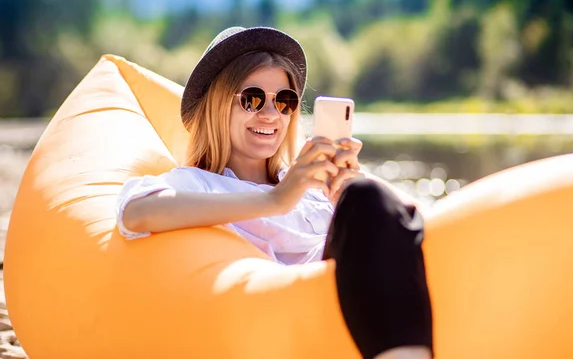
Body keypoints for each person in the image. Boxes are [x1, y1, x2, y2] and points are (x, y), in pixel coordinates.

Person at [116, 26, 433, 359]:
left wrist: (345, 194)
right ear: (215, 105)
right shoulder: (197, 183)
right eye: (252, 99)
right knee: (366, 197)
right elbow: (136, 212)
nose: (271, 115)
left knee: (366, 194)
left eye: (284, 101)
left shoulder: (310, 185)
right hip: (292, 319)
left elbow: (416, 225)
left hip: (359, 295)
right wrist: (275, 200)